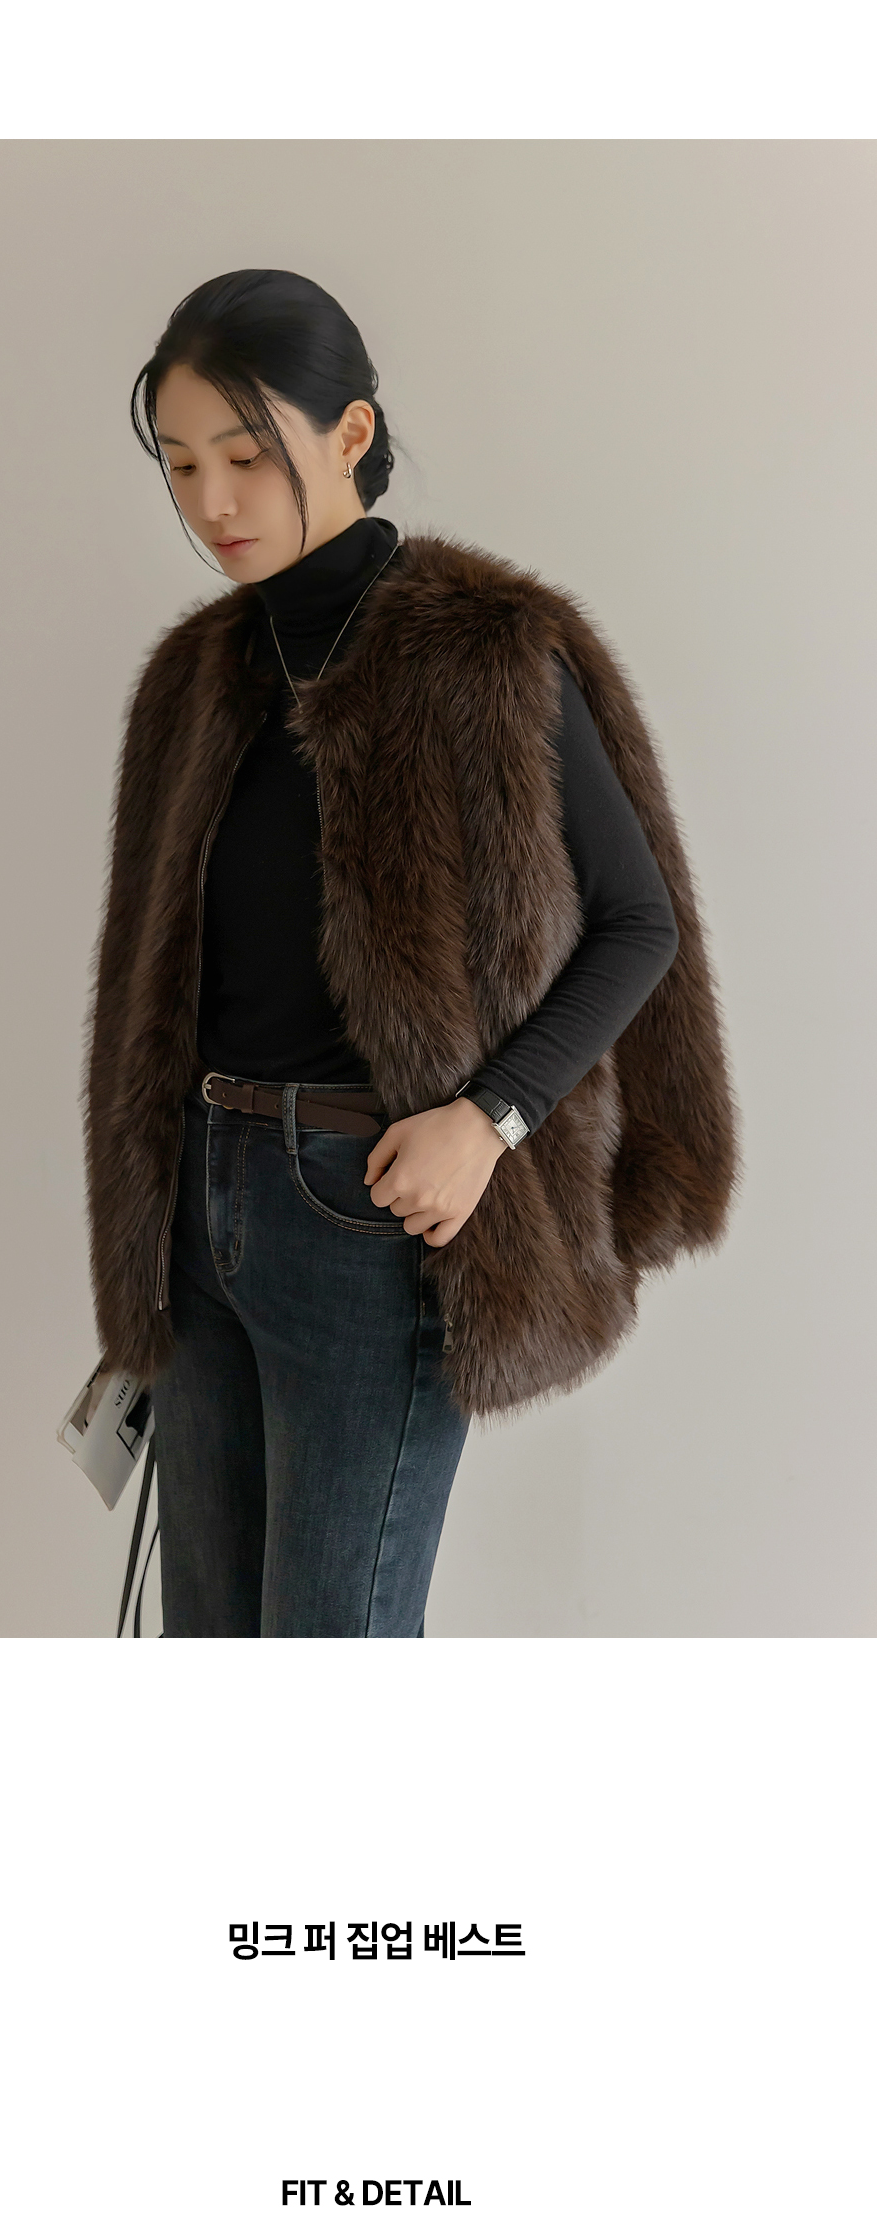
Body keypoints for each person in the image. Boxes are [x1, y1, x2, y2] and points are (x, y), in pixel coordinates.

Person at [84, 268, 736, 1637]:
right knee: (205, 1646)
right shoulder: (192, 681)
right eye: (183, 465)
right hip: (195, 1210)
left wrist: (489, 1119)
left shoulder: (484, 651)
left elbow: (639, 925)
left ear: (352, 434)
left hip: (369, 1218)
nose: (213, 502)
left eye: (248, 455)